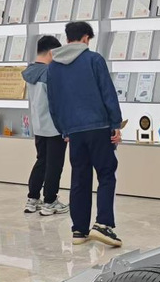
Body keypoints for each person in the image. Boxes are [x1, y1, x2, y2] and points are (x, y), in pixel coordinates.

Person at [48, 21, 124, 247]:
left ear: (67, 38)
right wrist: (115, 123)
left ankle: (79, 231)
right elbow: (108, 93)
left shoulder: (53, 67)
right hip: (98, 127)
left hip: (74, 131)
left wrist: (63, 129)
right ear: (85, 38)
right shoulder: (94, 59)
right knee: (106, 174)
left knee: (79, 179)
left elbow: (53, 103)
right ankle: (103, 224)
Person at [22, 35, 69, 215]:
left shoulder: (30, 71)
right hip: (54, 127)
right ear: (51, 52)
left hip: (39, 126)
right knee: (54, 165)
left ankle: (32, 199)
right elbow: (58, 103)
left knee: (41, 161)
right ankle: (50, 202)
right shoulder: (50, 73)